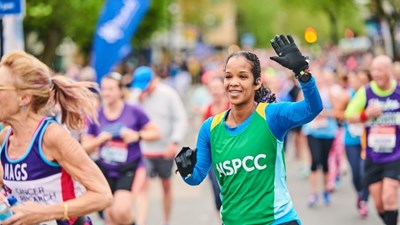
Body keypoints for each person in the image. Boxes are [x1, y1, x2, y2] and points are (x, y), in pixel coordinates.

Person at [175, 35, 323, 225]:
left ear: (257, 82)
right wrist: (186, 169)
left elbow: (313, 108)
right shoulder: (210, 128)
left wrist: (302, 72)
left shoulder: (271, 116)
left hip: (278, 221)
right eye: (228, 76)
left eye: (242, 76)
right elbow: (196, 178)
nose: (233, 82)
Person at [0, 51, 112, 224]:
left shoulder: (52, 136)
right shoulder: (6, 137)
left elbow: (103, 195)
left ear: (24, 98)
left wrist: (45, 213)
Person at [81, 72, 160, 225]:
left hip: (128, 168)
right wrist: (99, 140)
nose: (106, 93)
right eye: (104, 89)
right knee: (110, 215)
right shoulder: (96, 115)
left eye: (110, 89)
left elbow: (156, 132)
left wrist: (136, 135)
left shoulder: (133, 111)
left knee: (121, 210)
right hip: (105, 170)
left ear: (120, 90)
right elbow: (84, 147)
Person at [129, 66, 188, 225]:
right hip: (144, 149)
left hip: (165, 149)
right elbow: (129, 116)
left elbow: (180, 119)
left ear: (153, 80)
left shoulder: (168, 94)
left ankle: (166, 220)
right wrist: (138, 100)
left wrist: (174, 142)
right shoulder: (136, 95)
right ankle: (141, 221)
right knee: (142, 185)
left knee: (166, 185)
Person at [345, 55, 400, 225]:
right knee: (379, 204)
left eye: (380, 70)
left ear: (389, 71)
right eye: (373, 70)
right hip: (373, 156)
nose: (375, 74)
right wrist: (365, 115)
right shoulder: (366, 92)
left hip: (395, 155)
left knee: (389, 196)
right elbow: (348, 116)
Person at [201, 75, 230, 218]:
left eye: (218, 88)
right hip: (213, 157)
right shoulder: (206, 110)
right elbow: (203, 136)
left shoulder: (231, 107)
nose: (215, 91)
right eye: (212, 88)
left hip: (232, 154)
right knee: (216, 190)